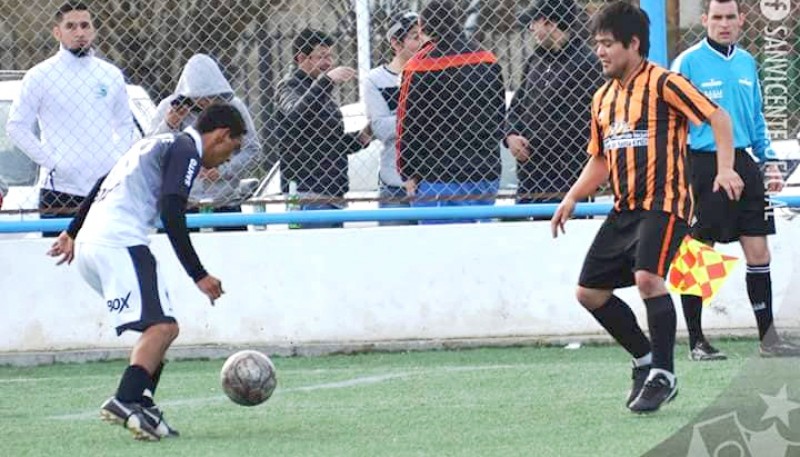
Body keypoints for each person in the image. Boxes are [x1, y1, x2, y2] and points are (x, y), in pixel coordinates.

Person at [551, 2, 744, 413]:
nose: (599, 52)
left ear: (633, 44)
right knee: (589, 293)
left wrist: (725, 168)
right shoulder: (602, 97)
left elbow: (719, 118)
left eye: (607, 44)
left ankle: (665, 374)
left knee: (648, 279)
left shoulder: (664, 84)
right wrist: (571, 196)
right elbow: (601, 158)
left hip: (666, 204)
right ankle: (643, 358)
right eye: (597, 43)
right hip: (625, 209)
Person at [46, 104, 246, 441]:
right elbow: (171, 209)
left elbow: (100, 182)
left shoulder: (158, 142)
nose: (229, 158)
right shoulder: (186, 149)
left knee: (166, 328)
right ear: (222, 135)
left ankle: (144, 406)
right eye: (233, 148)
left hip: (92, 247)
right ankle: (125, 400)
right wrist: (199, 274)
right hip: (119, 242)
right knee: (162, 326)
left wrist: (72, 231)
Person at [671, 0, 800, 360]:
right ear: (705, 20)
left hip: (744, 161)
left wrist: (769, 159)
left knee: (759, 252)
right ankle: (696, 342)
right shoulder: (688, 62)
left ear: (741, 20)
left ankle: (769, 341)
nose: (724, 24)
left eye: (731, 17)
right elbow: (672, 118)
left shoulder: (747, 62)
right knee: (700, 251)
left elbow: (755, 116)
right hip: (703, 163)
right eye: (717, 17)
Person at [6, 2, 134, 236]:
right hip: (59, 190)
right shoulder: (40, 76)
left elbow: (125, 125)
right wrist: (53, 162)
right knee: (62, 266)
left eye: (85, 25)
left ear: (94, 30)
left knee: (104, 262)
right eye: (71, 26)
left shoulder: (110, 75)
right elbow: (16, 126)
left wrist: (114, 161)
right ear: (57, 32)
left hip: (104, 190)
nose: (79, 33)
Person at [396, 0, 506, 224]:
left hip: (438, 174)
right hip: (484, 170)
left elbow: (407, 125)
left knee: (439, 249)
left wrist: (407, 171)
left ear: (425, 28)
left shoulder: (419, 66)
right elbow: (498, 113)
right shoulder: (487, 59)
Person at [507, 0, 602, 217]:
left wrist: (537, 141)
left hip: (567, 175)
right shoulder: (536, 60)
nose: (531, 29)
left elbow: (585, 121)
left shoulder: (586, 63)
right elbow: (517, 105)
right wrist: (511, 135)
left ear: (549, 23)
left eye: (535, 23)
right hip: (530, 176)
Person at [150, 54, 261, 231]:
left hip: (223, 202)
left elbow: (253, 150)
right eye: (200, 97)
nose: (206, 102)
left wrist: (223, 170)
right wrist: (170, 124)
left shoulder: (234, 107)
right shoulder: (169, 108)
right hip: (183, 202)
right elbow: (151, 150)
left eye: (212, 96)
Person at [275, 28, 371, 229]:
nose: (328, 63)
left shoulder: (320, 93)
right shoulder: (289, 87)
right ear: (301, 58)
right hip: (306, 195)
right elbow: (296, 116)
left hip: (332, 194)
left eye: (330, 56)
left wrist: (362, 137)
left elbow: (328, 143)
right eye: (321, 57)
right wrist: (326, 82)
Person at [362, 11, 424, 226]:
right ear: (396, 43)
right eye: (415, 37)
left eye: (424, 35)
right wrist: (424, 118)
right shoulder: (376, 80)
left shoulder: (434, 73)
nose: (423, 42)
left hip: (432, 182)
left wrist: (402, 120)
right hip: (395, 184)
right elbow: (382, 128)